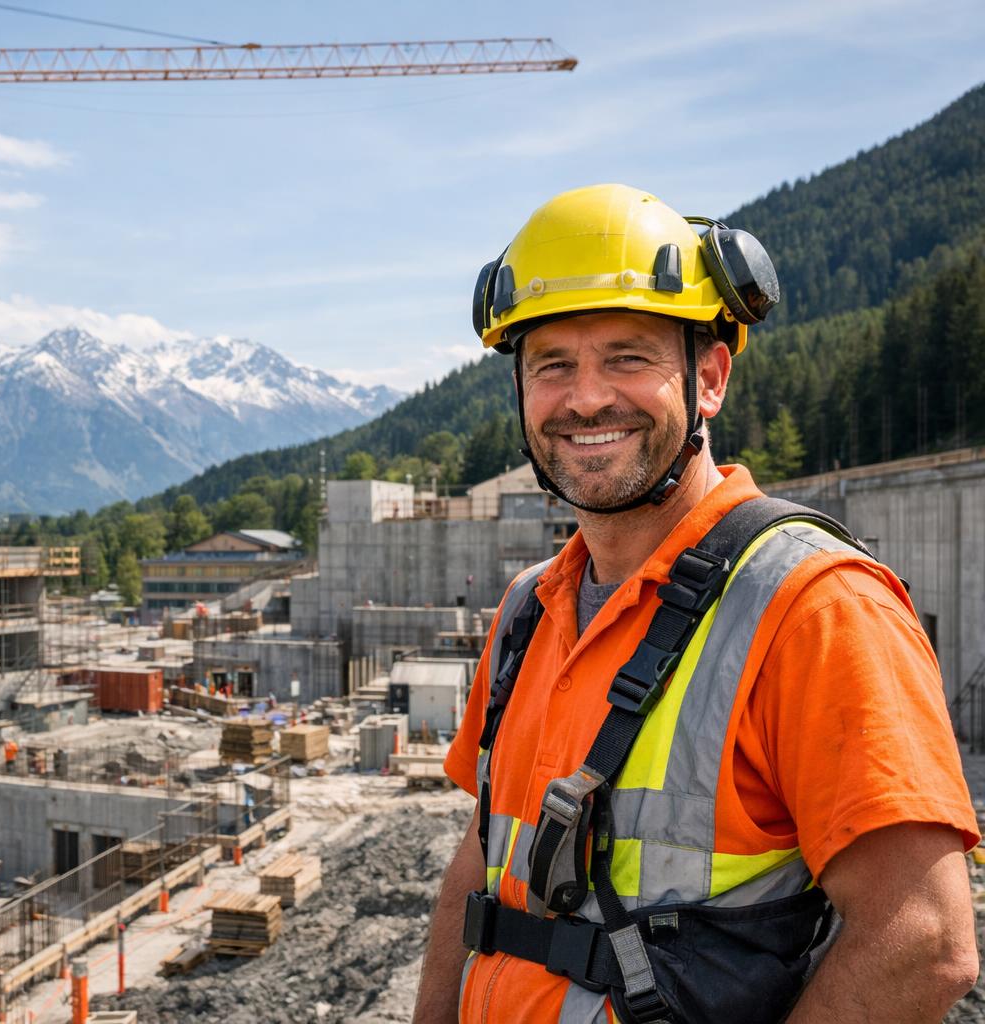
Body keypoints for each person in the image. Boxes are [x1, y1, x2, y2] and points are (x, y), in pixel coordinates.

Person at [412, 184, 979, 1024]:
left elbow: (924, 941)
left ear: (708, 376)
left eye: (628, 357)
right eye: (552, 365)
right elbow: (485, 861)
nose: (586, 398)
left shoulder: (813, 607)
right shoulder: (530, 608)